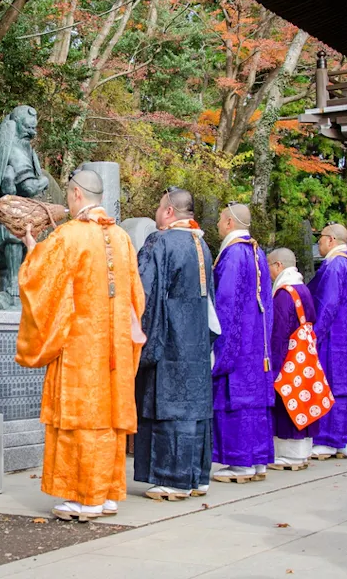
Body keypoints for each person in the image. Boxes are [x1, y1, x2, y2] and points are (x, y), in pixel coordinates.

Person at [16, 169, 145, 521]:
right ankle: (105, 494)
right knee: (108, 419)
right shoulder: (121, 238)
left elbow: (40, 283)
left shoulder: (68, 236)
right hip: (115, 351)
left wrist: (31, 249)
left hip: (80, 350)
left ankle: (83, 497)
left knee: (81, 420)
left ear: (75, 194)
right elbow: (137, 298)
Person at [134, 187, 216, 500]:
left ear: (169, 211)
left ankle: (172, 479)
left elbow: (144, 292)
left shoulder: (162, 241)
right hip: (195, 341)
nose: (157, 212)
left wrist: (140, 337)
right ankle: (196, 476)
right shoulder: (202, 245)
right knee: (193, 408)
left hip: (168, 340)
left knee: (168, 406)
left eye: (158, 206)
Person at [211, 203, 274, 482]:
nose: (217, 226)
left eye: (219, 221)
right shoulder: (257, 251)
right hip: (256, 343)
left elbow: (227, 301)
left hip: (238, 341)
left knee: (235, 400)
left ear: (228, 223)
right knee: (255, 401)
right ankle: (258, 460)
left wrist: (219, 344)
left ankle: (241, 462)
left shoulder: (234, 253)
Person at [308, 224, 347, 459]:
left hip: (334, 336)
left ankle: (329, 440)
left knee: (332, 385)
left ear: (330, 240)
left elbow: (327, 304)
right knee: (346, 387)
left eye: (320, 239)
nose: (318, 244)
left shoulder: (334, 265)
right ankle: (346, 439)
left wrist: (315, 334)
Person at [268, 248, 319, 468]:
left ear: (278, 266)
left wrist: (274, 366)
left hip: (289, 356)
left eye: (270, 266)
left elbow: (278, 332)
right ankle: (304, 451)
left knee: (287, 402)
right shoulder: (303, 289)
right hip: (305, 354)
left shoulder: (283, 293)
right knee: (304, 398)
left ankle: (289, 454)